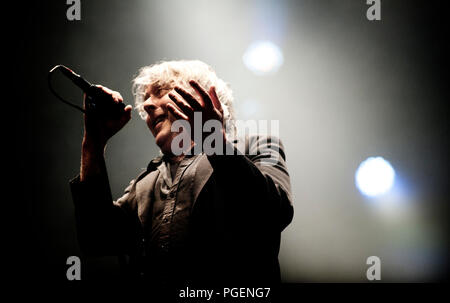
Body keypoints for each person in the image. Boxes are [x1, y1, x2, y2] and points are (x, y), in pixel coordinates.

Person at [70, 60, 293, 286]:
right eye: (145, 99)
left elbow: (275, 212)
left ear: (200, 95)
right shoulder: (145, 184)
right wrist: (93, 143)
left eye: (160, 92)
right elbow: (96, 238)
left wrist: (213, 139)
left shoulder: (257, 145)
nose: (147, 105)